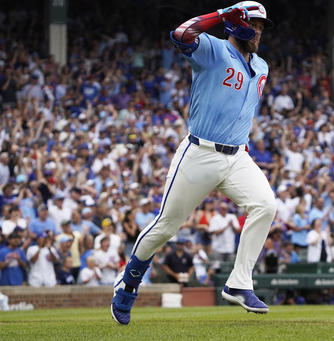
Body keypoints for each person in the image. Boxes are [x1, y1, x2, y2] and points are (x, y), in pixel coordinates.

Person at [111, 2, 276, 324]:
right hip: (200, 152)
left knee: (266, 205)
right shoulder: (214, 49)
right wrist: (221, 14)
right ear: (236, 23)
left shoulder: (262, 65)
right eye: (253, 23)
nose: (257, 31)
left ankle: (239, 283)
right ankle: (129, 283)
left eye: (261, 26)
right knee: (166, 226)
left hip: (237, 155)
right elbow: (180, 34)